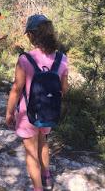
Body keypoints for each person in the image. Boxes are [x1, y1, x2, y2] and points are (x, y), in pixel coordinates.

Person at [5, 14, 69, 191]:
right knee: (43, 142)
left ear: (32, 35)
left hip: (27, 114)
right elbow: (64, 89)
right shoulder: (61, 59)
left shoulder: (25, 59)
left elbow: (16, 90)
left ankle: (38, 188)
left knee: (31, 152)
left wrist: (9, 113)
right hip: (48, 112)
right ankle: (46, 176)